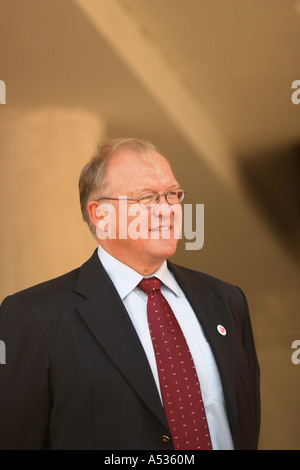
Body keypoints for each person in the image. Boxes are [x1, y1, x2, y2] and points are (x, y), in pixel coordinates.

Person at [0, 137, 260, 450]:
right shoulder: (34, 318)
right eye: (148, 198)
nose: (168, 210)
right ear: (100, 214)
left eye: (173, 195)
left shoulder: (227, 302)